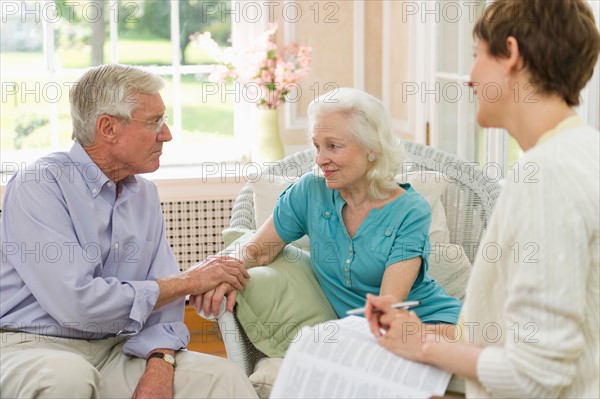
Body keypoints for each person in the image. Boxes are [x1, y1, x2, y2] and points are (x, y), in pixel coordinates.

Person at [365, 1, 600, 398]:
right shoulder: (585, 149)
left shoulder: (546, 176)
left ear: (511, 54)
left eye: (476, 56)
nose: (469, 77)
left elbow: (535, 376)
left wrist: (425, 347)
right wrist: (422, 334)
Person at [0, 64, 257, 399]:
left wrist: (161, 362)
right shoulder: (40, 184)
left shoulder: (144, 195)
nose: (166, 134)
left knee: (222, 378)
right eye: (154, 122)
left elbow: (165, 306)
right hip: (30, 347)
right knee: (69, 378)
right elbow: (77, 304)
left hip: (114, 349)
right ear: (108, 128)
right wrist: (191, 280)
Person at [195, 87, 462, 337]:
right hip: (368, 335)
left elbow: (387, 308)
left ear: (372, 148)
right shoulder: (311, 191)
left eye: (333, 146)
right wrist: (222, 275)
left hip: (422, 326)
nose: (320, 159)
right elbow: (257, 251)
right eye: (317, 146)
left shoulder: (409, 210)